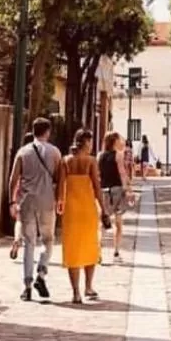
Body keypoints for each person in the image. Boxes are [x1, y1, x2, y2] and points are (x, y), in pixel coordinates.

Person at [8, 117, 62, 303]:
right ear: (47, 132)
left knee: (29, 243)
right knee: (48, 240)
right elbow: (60, 178)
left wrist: (11, 202)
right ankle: (42, 271)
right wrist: (60, 198)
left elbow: (13, 179)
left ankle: (27, 286)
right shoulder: (55, 152)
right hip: (47, 201)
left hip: (27, 201)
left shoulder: (23, 152)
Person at [58, 128, 105, 303]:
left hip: (71, 209)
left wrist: (59, 205)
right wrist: (103, 209)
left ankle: (76, 292)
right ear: (85, 142)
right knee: (90, 246)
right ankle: (88, 286)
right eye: (90, 142)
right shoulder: (91, 161)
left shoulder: (65, 161)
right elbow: (97, 187)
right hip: (87, 209)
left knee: (72, 249)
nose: (92, 145)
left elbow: (61, 186)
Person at [97, 131, 131, 263]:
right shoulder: (119, 155)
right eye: (119, 139)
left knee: (103, 223)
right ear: (114, 141)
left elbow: (98, 174)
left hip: (104, 190)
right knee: (118, 224)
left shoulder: (100, 156)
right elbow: (122, 173)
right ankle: (116, 252)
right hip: (117, 190)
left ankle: (98, 253)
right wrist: (128, 190)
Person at [10, 131, 34, 260]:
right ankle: (27, 245)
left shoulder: (21, 154)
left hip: (21, 189)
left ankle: (17, 239)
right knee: (31, 221)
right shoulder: (36, 155)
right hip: (34, 192)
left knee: (19, 220)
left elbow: (15, 176)